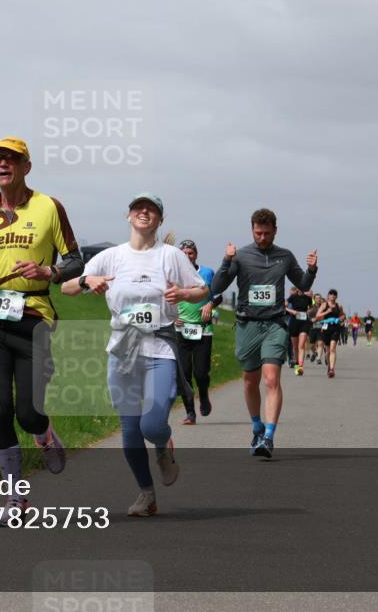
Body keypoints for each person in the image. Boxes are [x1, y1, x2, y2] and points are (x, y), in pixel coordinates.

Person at [62, 193, 208, 516]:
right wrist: (88, 280)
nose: (145, 212)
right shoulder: (112, 256)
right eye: (139, 208)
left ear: (159, 220)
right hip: (123, 350)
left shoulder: (170, 256)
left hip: (160, 348)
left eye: (152, 210)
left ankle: (162, 446)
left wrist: (184, 293)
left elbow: (203, 290)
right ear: (129, 216)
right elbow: (67, 287)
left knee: (152, 425)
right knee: (129, 432)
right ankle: (146, 494)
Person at [0, 137, 84, 516]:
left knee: (28, 414)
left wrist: (50, 271)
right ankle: (16, 498)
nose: (3, 164)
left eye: (12, 159)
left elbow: (76, 260)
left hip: (34, 318)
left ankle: (43, 434)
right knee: (0, 411)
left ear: (26, 167)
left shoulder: (49, 207)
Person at [211, 208, 317, 458]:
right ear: (252, 230)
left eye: (267, 233)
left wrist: (312, 270)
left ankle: (268, 437)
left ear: (275, 231)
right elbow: (217, 287)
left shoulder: (285, 256)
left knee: (271, 379)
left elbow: (302, 284)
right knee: (250, 380)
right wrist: (227, 261)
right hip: (247, 324)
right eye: (258, 233)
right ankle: (257, 426)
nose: (262, 238)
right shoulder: (241, 256)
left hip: (274, 324)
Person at [174, 239, 221, 424]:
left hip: (203, 329)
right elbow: (164, 298)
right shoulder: (172, 274)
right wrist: (171, 316)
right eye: (183, 253)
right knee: (184, 373)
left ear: (196, 254)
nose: (187, 256)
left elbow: (218, 296)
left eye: (190, 253)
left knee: (201, 373)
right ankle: (190, 413)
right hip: (181, 329)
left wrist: (210, 303)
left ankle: (203, 395)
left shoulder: (207, 273)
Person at [314, 289, 345, 378]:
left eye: (334, 294)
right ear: (328, 296)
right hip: (326, 328)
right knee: (328, 351)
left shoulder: (339, 306)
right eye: (331, 294)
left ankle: (332, 369)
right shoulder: (324, 305)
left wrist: (341, 318)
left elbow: (343, 315)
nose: (332, 295)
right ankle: (329, 366)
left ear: (336, 296)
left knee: (332, 349)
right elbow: (317, 315)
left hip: (335, 328)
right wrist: (327, 312)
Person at [285, 287, 313, 376]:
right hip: (294, 322)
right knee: (295, 346)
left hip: (304, 322)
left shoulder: (308, 298)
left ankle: (300, 367)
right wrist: (292, 311)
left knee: (301, 345)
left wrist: (309, 311)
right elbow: (284, 306)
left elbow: (312, 307)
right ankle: (297, 364)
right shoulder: (292, 297)